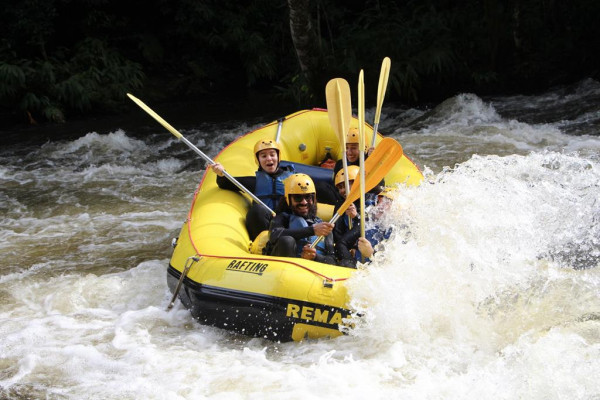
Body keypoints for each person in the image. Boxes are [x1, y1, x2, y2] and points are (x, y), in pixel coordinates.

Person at [210, 139, 294, 240]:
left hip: (286, 226)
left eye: (272, 155)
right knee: (257, 210)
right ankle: (263, 246)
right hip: (264, 226)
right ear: (257, 160)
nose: (269, 159)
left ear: (278, 157)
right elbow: (225, 183)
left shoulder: (293, 180)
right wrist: (221, 173)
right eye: (263, 156)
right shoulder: (254, 182)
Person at [266, 173, 337, 265]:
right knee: (287, 240)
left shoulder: (324, 228)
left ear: (314, 199)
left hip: (311, 273)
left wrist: (315, 257)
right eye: (297, 197)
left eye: (308, 197)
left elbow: (332, 261)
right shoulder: (282, 218)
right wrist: (312, 230)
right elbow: (274, 235)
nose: (304, 202)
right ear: (288, 199)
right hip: (284, 269)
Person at [336, 187, 395, 268]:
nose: (380, 206)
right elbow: (341, 243)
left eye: (386, 203)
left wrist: (371, 254)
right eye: (378, 202)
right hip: (360, 270)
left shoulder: (398, 232)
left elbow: (394, 264)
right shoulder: (366, 223)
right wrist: (351, 263)